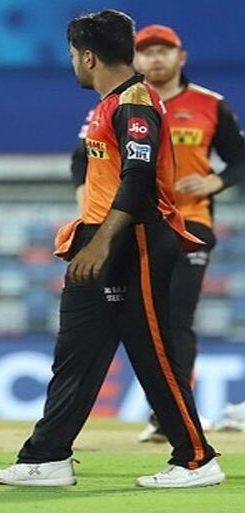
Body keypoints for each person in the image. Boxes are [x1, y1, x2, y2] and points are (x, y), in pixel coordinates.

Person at [0, 9, 225, 489]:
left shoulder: (135, 104)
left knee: (153, 350)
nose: (73, 63)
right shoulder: (110, 104)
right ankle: (47, 458)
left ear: (88, 57)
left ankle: (196, 459)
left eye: (73, 54)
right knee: (76, 351)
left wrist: (102, 243)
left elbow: (138, 181)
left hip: (134, 238)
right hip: (102, 237)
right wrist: (91, 237)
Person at [71, 25, 245, 442]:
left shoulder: (210, 105)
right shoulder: (119, 102)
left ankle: (169, 421)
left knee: (175, 318)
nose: (156, 59)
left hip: (189, 225)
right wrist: (89, 209)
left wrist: (215, 182)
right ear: (134, 58)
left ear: (181, 57)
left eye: (164, 51)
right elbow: (81, 160)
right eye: (147, 52)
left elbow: (240, 160)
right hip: (132, 226)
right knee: (130, 322)